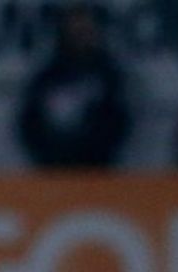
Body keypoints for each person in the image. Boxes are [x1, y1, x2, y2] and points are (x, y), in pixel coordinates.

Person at [16, 3, 131, 169]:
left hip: (99, 170)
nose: (81, 35)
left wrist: (98, 150)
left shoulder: (109, 76)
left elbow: (120, 119)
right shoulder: (47, 76)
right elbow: (29, 122)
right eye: (75, 30)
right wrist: (48, 154)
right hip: (53, 169)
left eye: (86, 30)